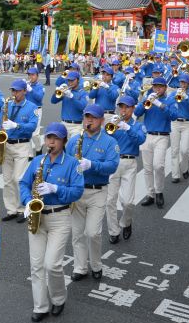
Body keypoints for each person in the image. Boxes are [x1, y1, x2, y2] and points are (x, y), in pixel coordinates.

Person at [19, 122, 84, 321]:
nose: (51, 142)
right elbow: (23, 183)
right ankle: (40, 306)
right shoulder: (38, 161)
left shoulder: (72, 163)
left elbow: (78, 191)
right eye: (49, 138)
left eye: (55, 138)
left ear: (64, 141)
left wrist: (56, 189)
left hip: (60, 217)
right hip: (38, 215)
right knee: (36, 264)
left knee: (52, 264)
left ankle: (58, 298)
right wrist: (28, 202)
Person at [65, 104, 119, 281]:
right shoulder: (74, 140)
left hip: (98, 191)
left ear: (102, 121)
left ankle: (96, 264)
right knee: (78, 232)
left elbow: (112, 165)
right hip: (77, 191)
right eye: (86, 116)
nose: (89, 120)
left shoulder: (110, 141)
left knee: (93, 232)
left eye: (93, 117)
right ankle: (80, 267)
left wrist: (92, 165)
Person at [105, 95, 146, 244]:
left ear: (133, 108)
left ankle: (126, 222)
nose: (123, 110)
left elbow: (140, 140)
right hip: (113, 162)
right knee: (110, 200)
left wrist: (128, 128)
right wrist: (112, 125)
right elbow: (104, 139)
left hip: (129, 163)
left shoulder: (138, 125)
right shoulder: (114, 123)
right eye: (121, 107)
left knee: (128, 202)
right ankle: (113, 231)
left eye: (127, 107)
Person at [0, 79, 39, 222]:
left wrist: (16, 125)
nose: (14, 93)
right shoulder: (7, 105)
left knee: (18, 178)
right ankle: (11, 209)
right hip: (7, 145)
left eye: (17, 90)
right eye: (13, 90)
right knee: (7, 180)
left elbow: (32, 127)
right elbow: (1, 124)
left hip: (22, 145)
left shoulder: (32, 107)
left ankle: (23, 208)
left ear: (24, 91)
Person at [136, 77, 177, 209]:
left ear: (165, 88)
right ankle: (150, 194)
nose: (157, 89)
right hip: (147, 135)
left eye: (160, 86)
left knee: (158, 166)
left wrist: (160, 104)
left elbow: (174, 116)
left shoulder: (169, 100)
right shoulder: (149, 98)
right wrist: (144, 101)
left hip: (162, 136)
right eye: (155, 86)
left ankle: (159, 191)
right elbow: (137, 113)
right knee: (147, 168)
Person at [169, 74, 189, 183]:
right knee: (174, 150)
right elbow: (167, 105)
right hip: (175, 123)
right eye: (181, 82)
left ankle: (184, 168)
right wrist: (173, 97)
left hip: (187, 123)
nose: (182, 84)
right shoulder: (173, 93)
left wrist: (186, 99)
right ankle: (175, 175)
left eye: (185, 82)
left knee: (184, 150)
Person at [50, 70, 88, 137]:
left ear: (78, 80)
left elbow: (82, 107)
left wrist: (71, 97)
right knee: (62, 147)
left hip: (77, 126)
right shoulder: (66, 90)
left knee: (74, 146)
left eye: (72, 80)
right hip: (64, 124)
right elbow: (53, 101)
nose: (70, 83)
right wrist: (56, 92)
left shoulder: (83, 92)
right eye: (69, 80)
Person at [25, 67, 46, 156]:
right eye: (29, 75)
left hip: (36, 110)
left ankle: (38, 148)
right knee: (27, 133)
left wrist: (31, 90)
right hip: (26, 109)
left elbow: (39, 98)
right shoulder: (26, 85)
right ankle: (29, 154)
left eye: (33, 75)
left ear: (37, 76)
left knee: (35, 134)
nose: (31, 77)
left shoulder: (40, 86)